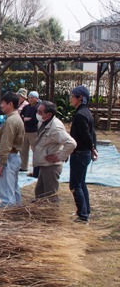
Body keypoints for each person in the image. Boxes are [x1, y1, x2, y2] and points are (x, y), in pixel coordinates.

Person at [33, 101, 76, 200]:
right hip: (44, 164)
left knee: (50, 196)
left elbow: (71, 143)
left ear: (48, 115)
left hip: (51, 167)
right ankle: (41, 213)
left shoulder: (56, 128)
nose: (37, 114)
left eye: (40, 112)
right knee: (39, 192)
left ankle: (52, 214)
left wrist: (59, 157)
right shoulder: (43, 122)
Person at [69, 85, 97, 222]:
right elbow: (93, 133)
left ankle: (82, 215)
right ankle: (86, 210)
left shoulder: (80, 115)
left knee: (75, 185)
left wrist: (92, 147)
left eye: (73, 96)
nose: (71, 99)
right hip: (84, 153)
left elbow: (87, 135)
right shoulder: (86, 112)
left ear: (80, 98)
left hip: (80, 153)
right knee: (81, 183)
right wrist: (93, 147)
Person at [0, 91, 25, 206]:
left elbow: (6, 144)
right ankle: (16, 208)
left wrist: (1, 163)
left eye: (3, 103)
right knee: (13, 187)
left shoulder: (11, 121)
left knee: (7, 191)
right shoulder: (14, 118)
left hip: (9, 159)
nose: (1, 105)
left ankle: (9, 211)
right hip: (12, 158)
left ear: (10, 104)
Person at [19, 91, 40, 174]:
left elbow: (35, 119)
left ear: (36, 98)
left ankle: (36, 168)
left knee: (35, 150)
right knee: (23, 150)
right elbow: (21, 116)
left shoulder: (38, 107)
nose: (30, 99)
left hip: (34, 131)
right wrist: (25, 119)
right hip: (25, 131)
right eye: (29, 97)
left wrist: (27, 119)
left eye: (32, 97)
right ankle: (24, 167)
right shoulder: (26, 107)